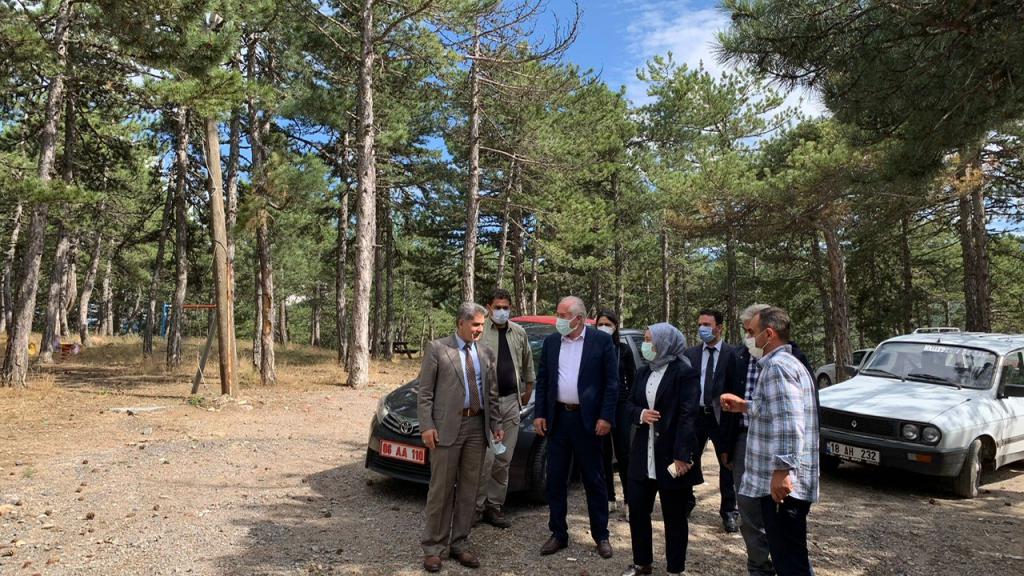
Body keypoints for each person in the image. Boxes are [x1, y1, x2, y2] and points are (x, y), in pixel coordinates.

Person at [721, 306, 820, 576]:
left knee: (790, 562)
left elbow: (789, 423)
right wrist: (744, 406)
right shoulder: (786, 364)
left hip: (783, 487)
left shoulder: (777, 367)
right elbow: (774, 409)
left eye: (751, 332)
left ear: (769, 333)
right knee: (787, 554)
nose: (748, 338)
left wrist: (782, 471)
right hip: (782, 483)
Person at [417, 302, 505, 573]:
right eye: (476, 324)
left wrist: (496, 423)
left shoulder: (486, 353)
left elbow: (491, 394)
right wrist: (427, 426)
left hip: (477, 427)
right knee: (441, 489)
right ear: (460, 323)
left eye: (482, 325)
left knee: (470, 488)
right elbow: (425, 393)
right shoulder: (438, 349)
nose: (480, 329)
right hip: (446, 428)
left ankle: (460, 543)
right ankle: (434, 548)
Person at [534, 296, 619, 559]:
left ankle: (601, 535)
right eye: (558, 314)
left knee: (594, 479)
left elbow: (612, 383)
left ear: (579, 318)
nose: (558, 320)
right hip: (559, 419)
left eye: (562, 315)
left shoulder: (600, 341)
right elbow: (543, 380)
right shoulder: (552, 342)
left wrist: (606, 417)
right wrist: (540, 413)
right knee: (555, 479)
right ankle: (558, 533)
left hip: (588, 421)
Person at [621, 323, 701, 576]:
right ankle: (642, 563)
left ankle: (675, 569)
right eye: (645, 340)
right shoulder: (643, 371)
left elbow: (688, 416)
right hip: (642, 455)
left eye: (650, 340)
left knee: (674, 516)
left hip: (671, 456)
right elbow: (628, 405)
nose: (646, 345)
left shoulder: (684, 372)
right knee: (637, 510)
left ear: (665, 344)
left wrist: (682, 455)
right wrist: (640, 414)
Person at [476, 288, 536, 528]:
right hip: (484, 404)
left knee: (503, 459)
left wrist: (528, 389)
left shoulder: (518, 332)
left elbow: (528, 363)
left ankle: (495, 506)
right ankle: (475, 507)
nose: (502, 311)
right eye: (498, 307)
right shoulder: (480, 330)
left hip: (511, 402)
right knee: (484, 460)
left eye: (505, 307)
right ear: (489, 308)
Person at [682, 308, 741, 533]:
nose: (702, 329)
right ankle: (686, 501)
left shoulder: (732, 354)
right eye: (700, 324)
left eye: (707, 325)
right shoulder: (691, 354)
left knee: (727, 464)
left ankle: (729, 511)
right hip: (696, 416)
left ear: (719, 328)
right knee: (688, 459)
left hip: (721, 418)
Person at [596, 309, 635, 517]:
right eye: (600, 324)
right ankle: (608, 497)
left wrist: (628, 402)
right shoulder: (591, 348)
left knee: (623, 453)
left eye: (608, 324)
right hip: (598, 406)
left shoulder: (623, 349)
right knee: (602, 454)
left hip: (620, 406)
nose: (604, 328)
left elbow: (633, 378)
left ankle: (629, 500)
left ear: (615, 327)